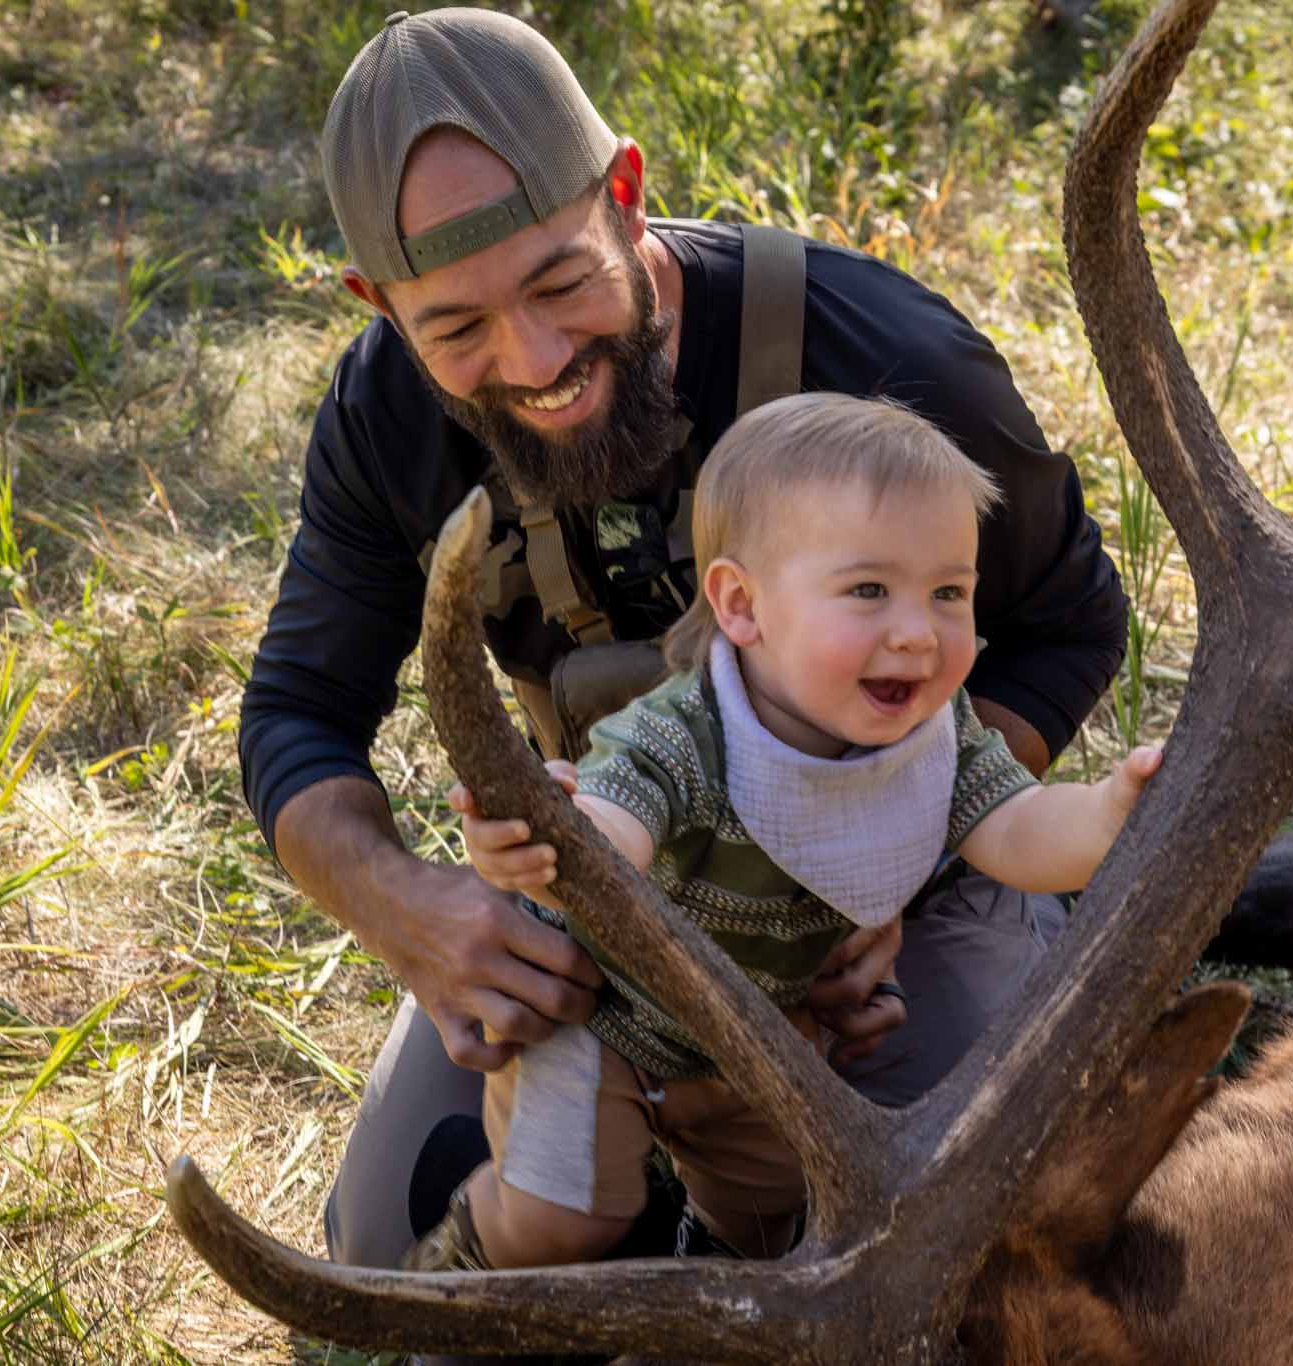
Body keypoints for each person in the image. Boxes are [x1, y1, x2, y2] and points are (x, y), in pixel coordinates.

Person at [234, 6, 1127, 1286]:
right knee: (393, 1252)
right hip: (604, 905)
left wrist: (890, 852)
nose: (534, 360)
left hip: (882, 887)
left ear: (626, 192)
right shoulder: (384, 415)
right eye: (457, 330)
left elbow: (1071, 623)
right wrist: (410, 910)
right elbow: (297, 714)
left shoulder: (881, 359)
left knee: (967, 1239)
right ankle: (645, 1218)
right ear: (378, 304)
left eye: (560, 284)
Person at [413, 393, 1162, 1272]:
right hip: (598, 1017)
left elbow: (1019, 830)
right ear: (742, 606)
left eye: (948, 593)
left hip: (755, 1042)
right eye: (869, 591)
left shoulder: (935, 739)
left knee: (770, 1229)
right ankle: (462, 1262)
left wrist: (1110, 814)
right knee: (563, 1222)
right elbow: (612, 837)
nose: (917, 633)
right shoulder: (687, 733)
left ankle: (696, 1268)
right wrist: (553, 836)